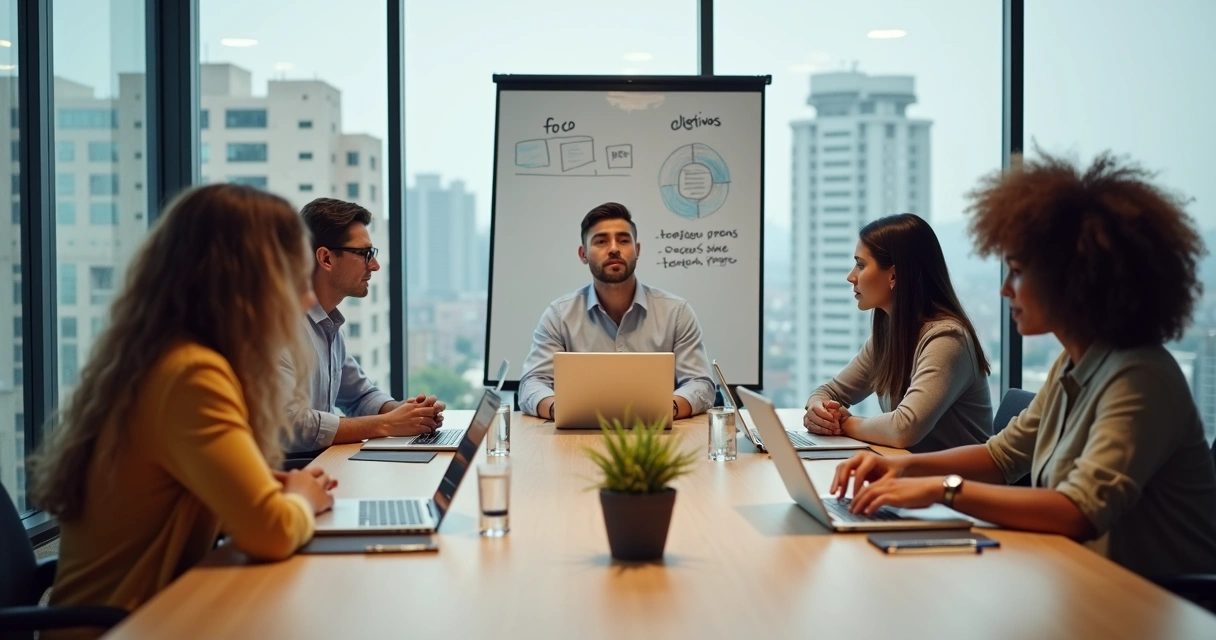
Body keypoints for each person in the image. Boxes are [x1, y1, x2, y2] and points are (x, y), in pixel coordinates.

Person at [831, 151, 1216, 577]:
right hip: (1080, 579)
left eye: (1016, 272)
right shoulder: (1074, 366)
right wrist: (903, 465)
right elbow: (1002, 456)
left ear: (1073, 280)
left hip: (1158, 602)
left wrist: (941, 489)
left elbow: (1078, 511)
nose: (1004, 290)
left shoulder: (1140, 376)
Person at [28, 184, 335, 627]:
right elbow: (270, 533)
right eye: (294, 278)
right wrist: (302, 500)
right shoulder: (193, 374)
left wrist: (259, 485)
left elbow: (171, 487)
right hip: (126, 626)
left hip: (156, 612)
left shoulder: (163, 359)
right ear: (248, 283)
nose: (307, 298)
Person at [803, 213, 993, 452]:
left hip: (957, 485)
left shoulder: (947, 339)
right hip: (913, 477)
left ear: (893, 275)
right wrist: (818, 410)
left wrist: (844, 424)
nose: (851, 277)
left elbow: (904, 429)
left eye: (861, 265)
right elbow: (830, 391)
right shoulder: (889, 335)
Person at [518, 202, 714, 420]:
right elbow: (532, 383)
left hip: (656, 438)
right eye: (601, 241)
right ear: (583, 254)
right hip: (576, 438)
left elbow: (700, 383)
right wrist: (561, 410)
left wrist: (664, 410)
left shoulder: (676, 312)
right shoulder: (559, 315)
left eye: (623, 240)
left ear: (637, 251)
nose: (613, 248)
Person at [283, 198, 444, 456]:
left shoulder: (328, 324)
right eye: (364, 254)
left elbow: (359, 397)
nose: (374, 265)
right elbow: (290, 425)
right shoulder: (281, 326)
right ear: (325, 258)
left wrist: (409, 412)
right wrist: (387, 424)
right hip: (286, 475)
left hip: (317, 467)